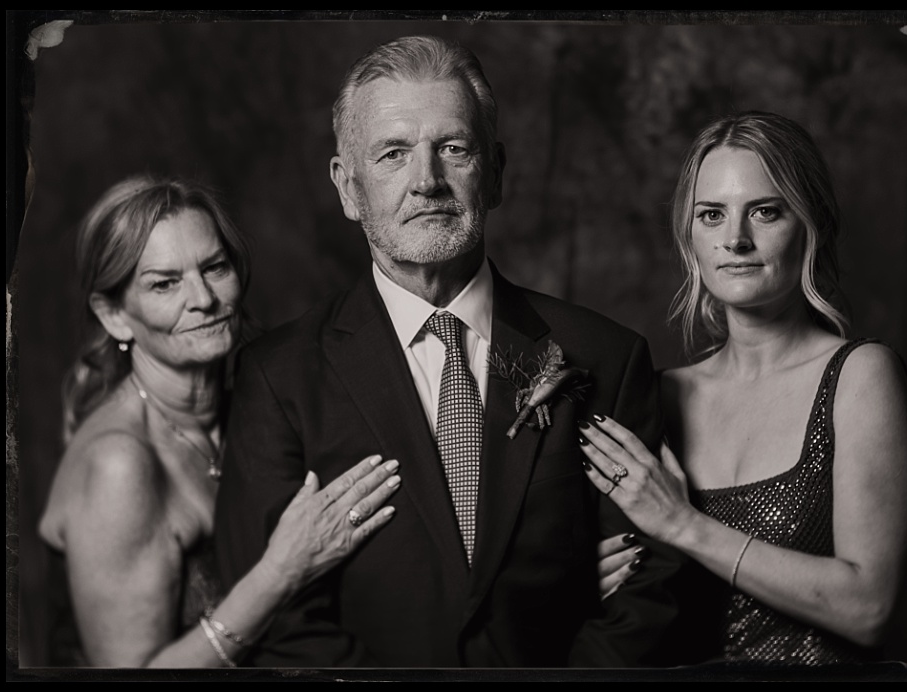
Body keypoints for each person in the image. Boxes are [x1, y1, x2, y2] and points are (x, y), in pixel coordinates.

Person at [213, 34, 682, 668]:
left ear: (494, 174)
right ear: (348, 187)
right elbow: (276, 617)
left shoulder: (605, 356)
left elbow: (647, 593)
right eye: (393, 153)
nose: (426, 181)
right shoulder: (278, 377)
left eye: (453, 149)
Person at [585, 111, 907, 665]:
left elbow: (869, 609)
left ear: (810, 223)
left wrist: (684, 525)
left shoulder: (860, 377)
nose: (735, 240)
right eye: (712, 215)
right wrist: (587, 583)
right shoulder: (657, 394)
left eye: (765, 212)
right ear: (689, 235)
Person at [38, 176, 401, 667]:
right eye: (165, 283)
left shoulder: (255, 403)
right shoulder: (118, 466)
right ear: (114, 316)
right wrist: (279, 572)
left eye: (214, 267)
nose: (204, 299)